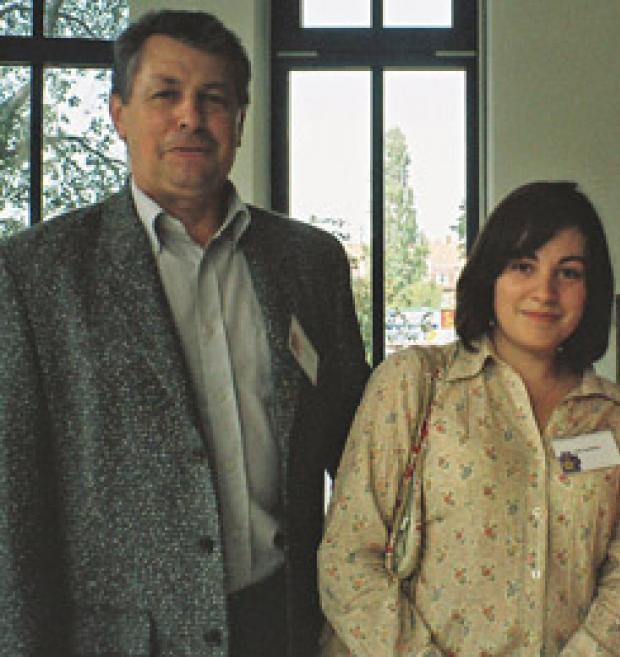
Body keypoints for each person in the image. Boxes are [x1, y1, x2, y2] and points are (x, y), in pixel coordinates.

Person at [0, 10, 369, 657]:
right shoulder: (37, 275)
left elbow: (361, 451)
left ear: (241, 119)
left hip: (285, 627)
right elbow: (15, 509)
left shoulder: (310, 263)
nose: (190, 118)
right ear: (118, 113)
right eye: (165, 94)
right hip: (125, 642)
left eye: (214, 99)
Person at [319, 181, 620, 656]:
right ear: (490, 276)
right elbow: (348, 559)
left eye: (569, 273)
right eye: (523, 266)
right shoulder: (416, 384)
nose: (545, 291)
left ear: (592, 290)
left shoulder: (612, 416)